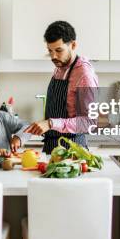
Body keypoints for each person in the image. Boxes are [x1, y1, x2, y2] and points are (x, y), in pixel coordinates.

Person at [25, 21, 99, 154]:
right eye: (50, 51)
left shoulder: (84, 75)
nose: (53, 56)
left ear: (73, 45)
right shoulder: (60, 67)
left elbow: (89, 122)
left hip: (72, 151)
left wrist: (50, 123)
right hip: (51, 147)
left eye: (59, 50)